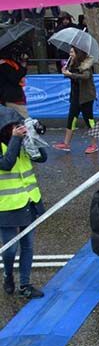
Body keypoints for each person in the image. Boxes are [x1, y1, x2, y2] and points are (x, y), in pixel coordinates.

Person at [0, 112, 45, 299]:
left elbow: (42, 158)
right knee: (10, 249)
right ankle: (8, 275)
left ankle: (25, 284)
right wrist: (16, 140)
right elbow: (7, 163)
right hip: (7, 206)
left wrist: (34, 137)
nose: (17, 129)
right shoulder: (10, 144)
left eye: (18, 125)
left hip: (30, 200)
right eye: (13, 126)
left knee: (28, 246)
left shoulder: (23, 141)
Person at [52, 46, 98, 154]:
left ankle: (94, 145)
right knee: (71, 119)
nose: (70, 54)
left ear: (78, 53)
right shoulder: (72, 63)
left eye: (72, 52)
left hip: (86, 97)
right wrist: (65, 72)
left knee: (89, 120)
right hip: (75, 96)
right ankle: (66, 144)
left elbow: (86, 76)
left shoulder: (86, 64)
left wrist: (71, 74)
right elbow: (71, 76)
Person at [0, 48, 28, 118]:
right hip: (11, 97)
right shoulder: (4, 64)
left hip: (8, 95)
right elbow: (15, 78)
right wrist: (23, 64)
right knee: (25, 118)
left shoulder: (8, 63)